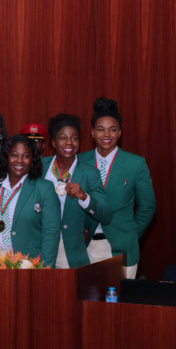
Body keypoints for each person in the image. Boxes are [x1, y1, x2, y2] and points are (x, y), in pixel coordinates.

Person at [80, 97, 156, 278]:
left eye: (112, 130)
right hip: (84, 247)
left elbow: (148, 206)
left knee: (117, 305)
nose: (106, 135)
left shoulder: (135, 164)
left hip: (122, 248)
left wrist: (130, 234)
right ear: (92, 133)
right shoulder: (80, 161)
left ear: (120, 133)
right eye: (100, 129)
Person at [41, 114, 111, 269]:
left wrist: (84, 196)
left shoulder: (89, 173)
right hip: (40, 246)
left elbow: (105, 214)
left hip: (69, 250)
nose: (69, 143)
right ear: (53, 142)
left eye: (74, 138)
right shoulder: (40, 167)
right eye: (62, 138)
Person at [0, 135, 60, 267]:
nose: (19, 161)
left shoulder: (44, 188)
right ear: (6, 157)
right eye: (14, 155)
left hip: (28, 262)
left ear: (32, 160)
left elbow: (51, 234)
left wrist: (46, 268)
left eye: (26, 156)